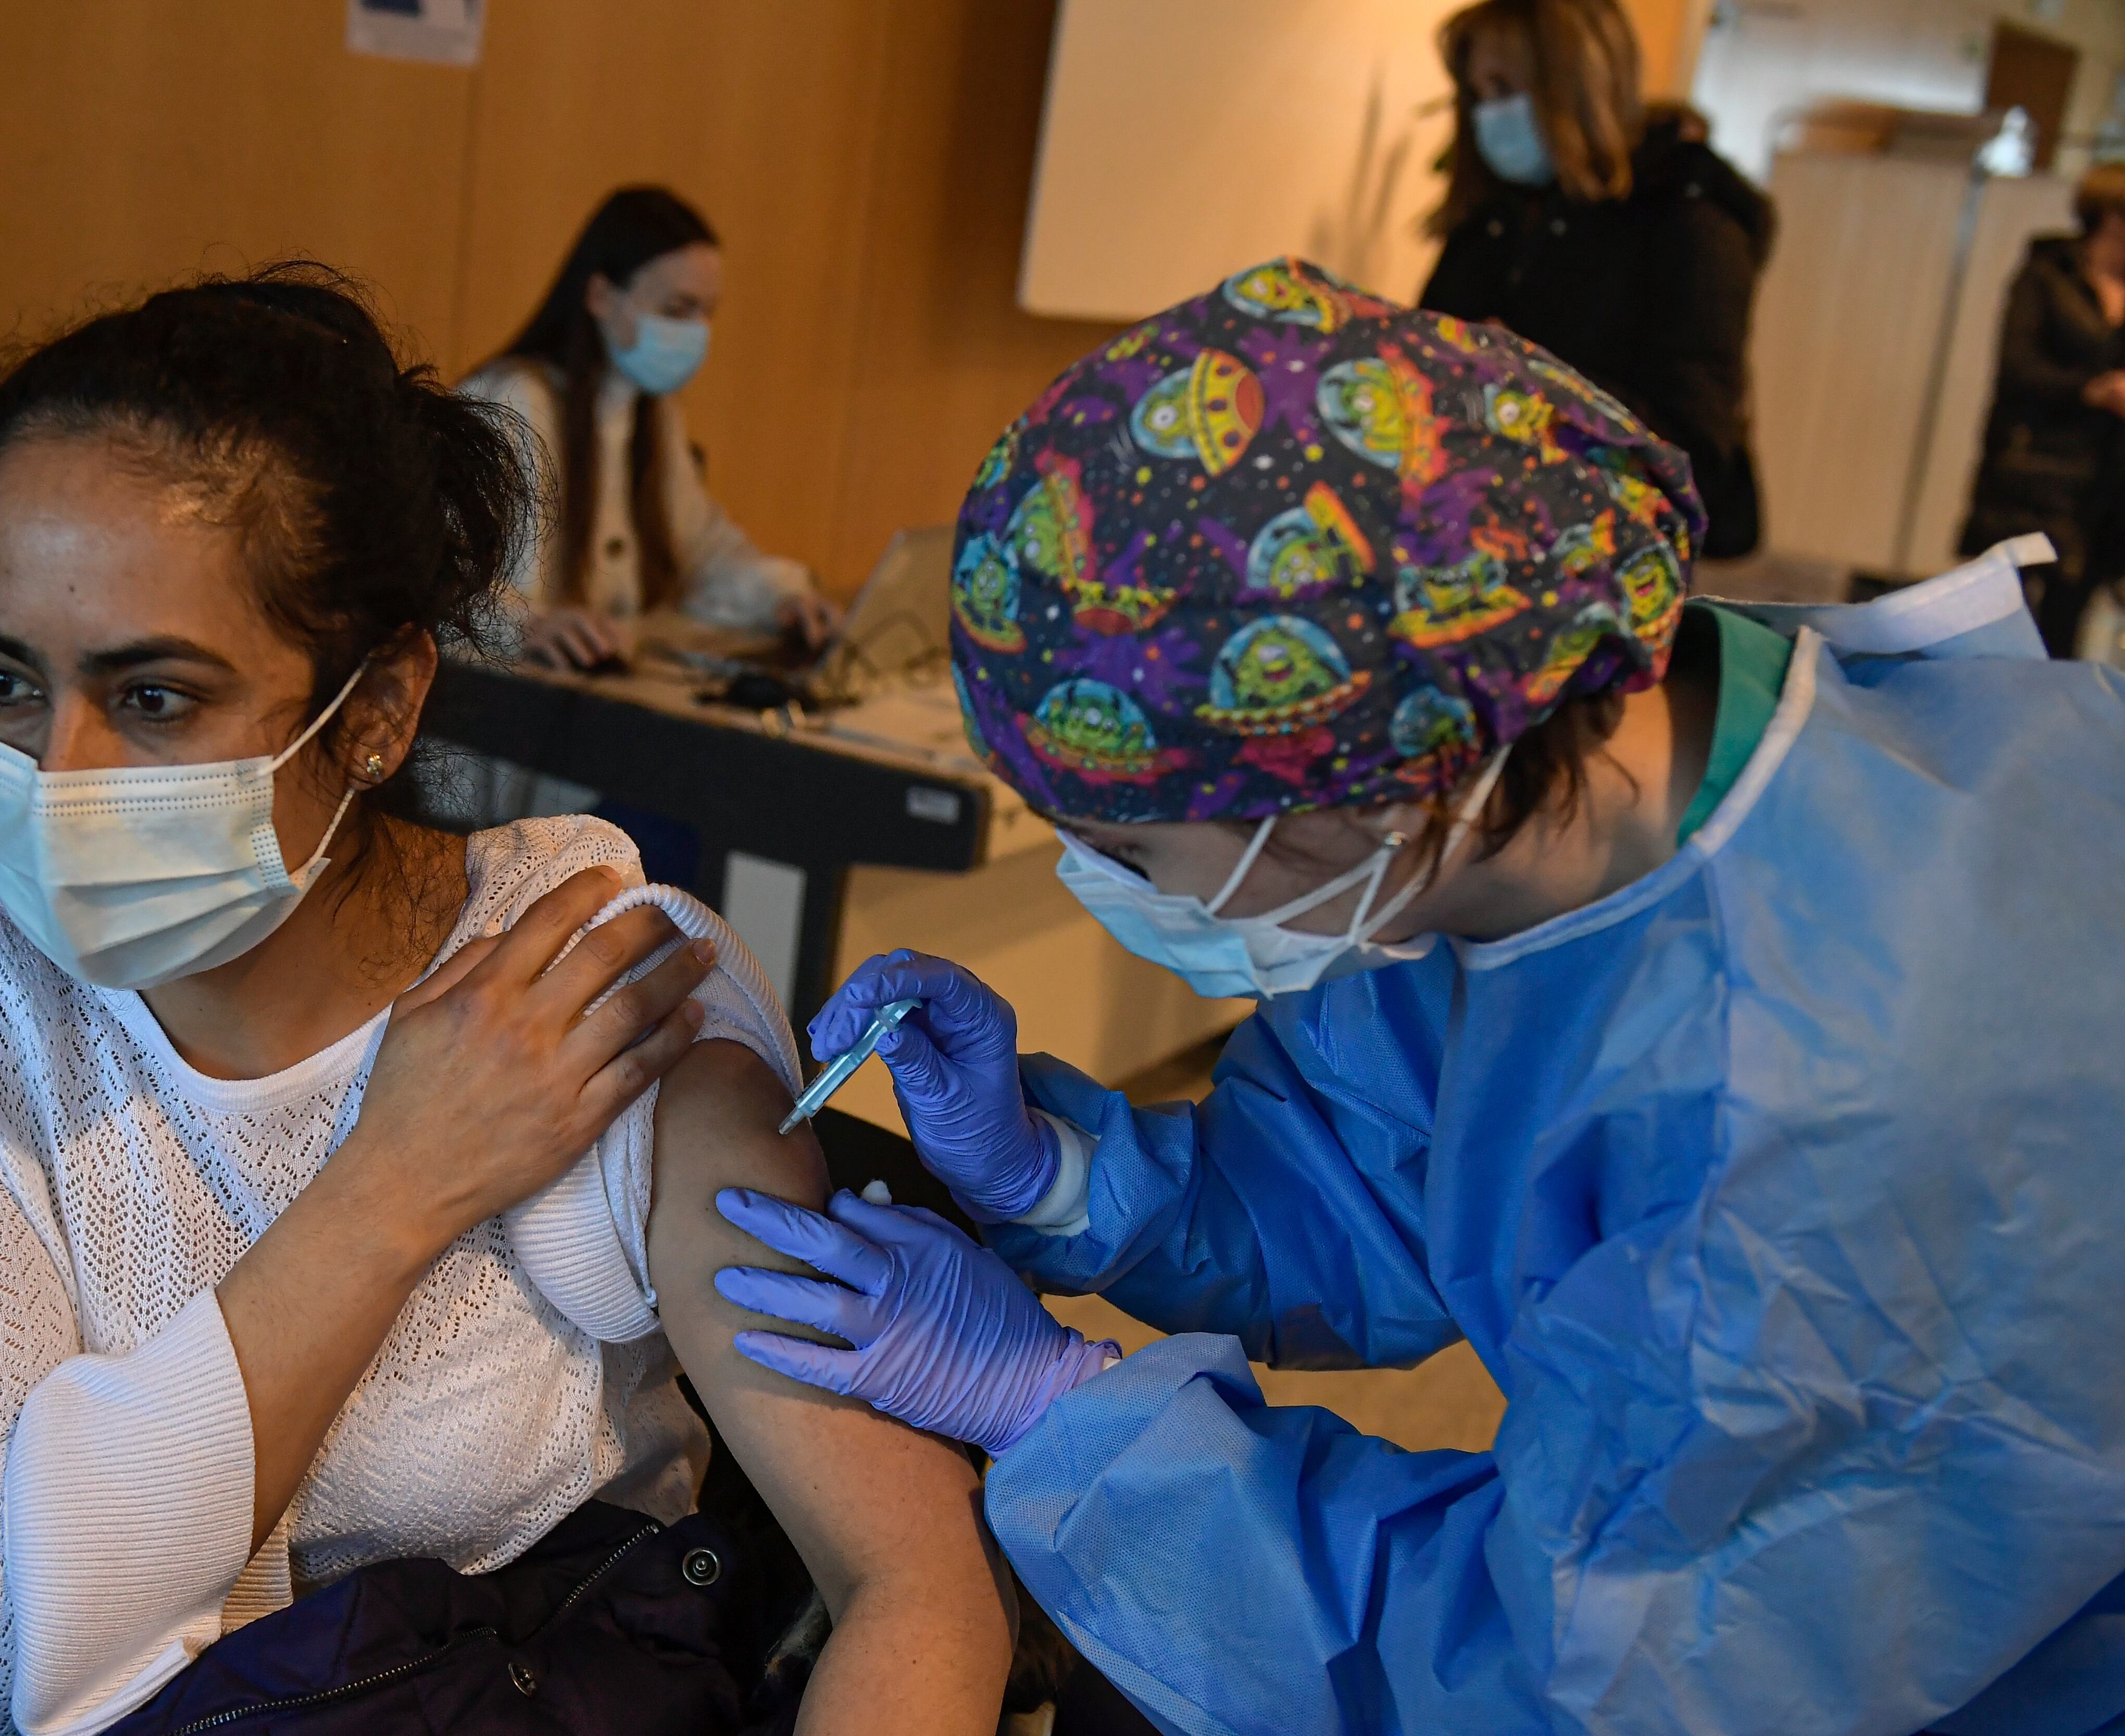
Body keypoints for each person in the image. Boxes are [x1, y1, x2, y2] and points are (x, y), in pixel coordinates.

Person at [713, 259, 2125, 1734]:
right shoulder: (1578, 772)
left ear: (1356, 790)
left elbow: (1568, 1684)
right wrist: (1057, 1174)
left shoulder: (1788, 1147)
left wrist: (1057, 1413)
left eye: (1130, 849)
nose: (1107, 884)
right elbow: (1392, 1164)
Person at [0, 265, 1010, 1736]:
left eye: (152, 698)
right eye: (6, 684)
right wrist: (401, 1180)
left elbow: (915, 1581)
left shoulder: (585, 977)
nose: (55, 776)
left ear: (377, 707)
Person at [1420, 0, 1773, 559]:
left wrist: (1527, 373)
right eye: (1478, 95)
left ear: (1573, 85)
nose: (1490, 115)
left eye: (1505, 89)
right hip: (1460, 531)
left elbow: (1696, 452)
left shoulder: (1687, 219)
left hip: (1595, 559)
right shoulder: (1494, 218)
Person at [463, 186, 836, 670]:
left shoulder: (650, 407)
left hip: (595, 682)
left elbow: (699, 551)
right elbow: (442, 581)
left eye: (706, 313)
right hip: (505, 695)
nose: (697, 333)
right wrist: (526, 625)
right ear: (600, 296)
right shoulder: (510, 399)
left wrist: (781, 596)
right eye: (677, 310)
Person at [1959, 163, 2125, 658]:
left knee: (2064, 632)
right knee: (2000, 623)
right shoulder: (2047, 276)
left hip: (2105, 486)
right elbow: (2017, 369)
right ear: (2110, 216)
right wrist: (2093, 390)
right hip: (2033, 470)